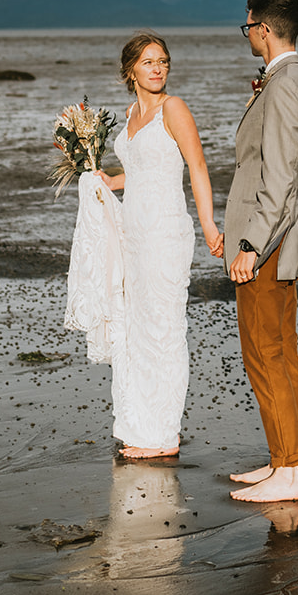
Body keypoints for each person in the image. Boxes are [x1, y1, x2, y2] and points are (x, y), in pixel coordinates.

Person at [95, 31, 223, 458]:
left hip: (165, 234)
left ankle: (164, 435)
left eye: (163, 61)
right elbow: (145, 168)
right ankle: (143, 426)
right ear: (131, 69)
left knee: (165, 330)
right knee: (137, 330)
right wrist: (112, 180)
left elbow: (197, 167)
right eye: (149, 62)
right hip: (133, 234)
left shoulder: (175, 109)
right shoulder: (131, 112)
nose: (158, 68)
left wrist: (208, 224)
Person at [223, 0, 298, 502]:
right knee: (274, 353)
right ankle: (282, 460)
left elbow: (278, 179)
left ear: (263, 28)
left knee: (269, 353)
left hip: (268, 241)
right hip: (274, 236)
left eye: (248, 27)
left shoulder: (283, 86)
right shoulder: (286, 81)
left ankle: (288, 472)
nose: (249, 35)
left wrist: (250, 246)